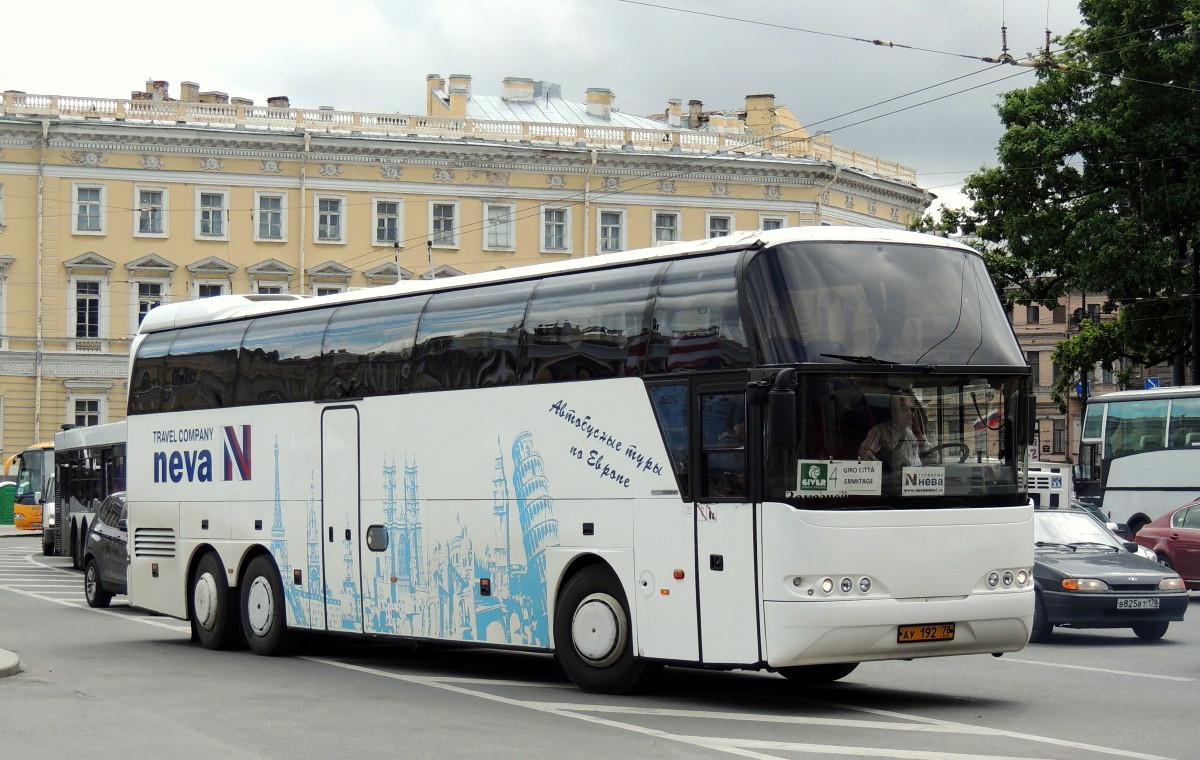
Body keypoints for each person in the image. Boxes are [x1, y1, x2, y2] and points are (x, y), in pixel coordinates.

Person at [858, 394, 928, 469]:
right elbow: (864, 453)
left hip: (910, 478)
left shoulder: (910, 433)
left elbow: (931, 459)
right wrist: (882, 471)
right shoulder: (880, 431)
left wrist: (920, 437)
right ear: (893, 412)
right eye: (904, 410)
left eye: (911, 410)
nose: (910, 414)